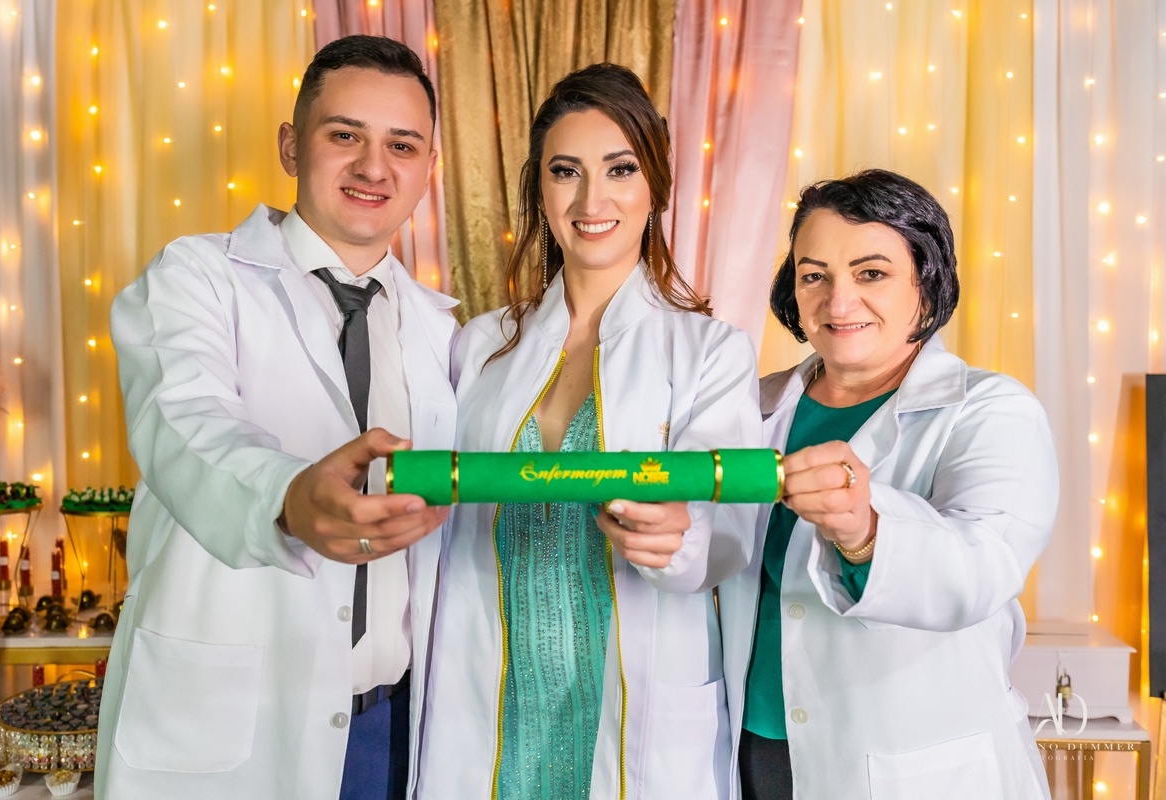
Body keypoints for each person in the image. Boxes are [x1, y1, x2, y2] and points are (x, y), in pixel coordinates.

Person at [98, 36, 456, 800]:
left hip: (391, 732)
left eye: (402, 145)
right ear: (292, 146)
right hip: (230, 728)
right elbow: (185, 423)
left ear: (429, 168)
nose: (374, 167)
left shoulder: (447, 331)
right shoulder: (195, 277)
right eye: (344, 135)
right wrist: (288, 499)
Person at [416, 63, 761, 800]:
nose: (591, 200)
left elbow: (732, 531)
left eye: (620, 169)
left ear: (655, 187)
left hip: (639, 708)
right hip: (490, 704)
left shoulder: (710, 352)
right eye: (565, 171)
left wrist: (678, 538)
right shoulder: (477, 347)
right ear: (539, 191)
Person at [720, 169, 1057, 799]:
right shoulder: (748, 407)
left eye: (871, 273)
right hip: (753, 749)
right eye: (814, 276)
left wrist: (865, 530)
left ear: (927, 284)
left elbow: (981, 571)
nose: (838, 301)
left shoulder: (991, 410)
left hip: (906, 764)